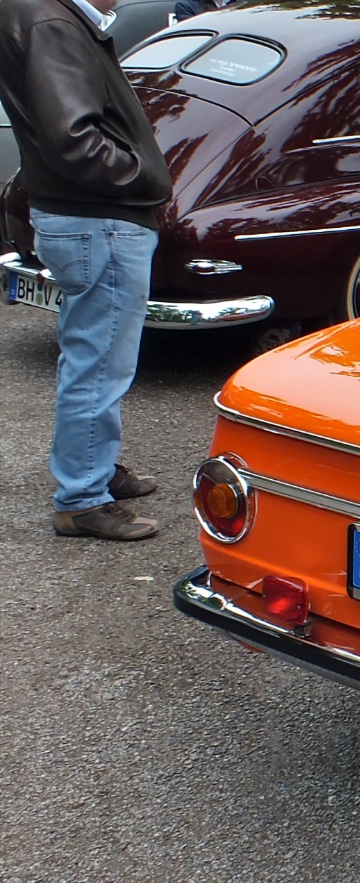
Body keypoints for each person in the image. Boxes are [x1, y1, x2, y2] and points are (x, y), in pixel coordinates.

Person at [0, 0, 173, 540]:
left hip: (81, 216)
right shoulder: (51, 21)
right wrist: (145, 176)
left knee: (91, 357)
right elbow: (73, 137)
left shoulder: (41, 14)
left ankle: (93, 466)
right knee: (98, 365)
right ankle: (82, 498)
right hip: (99, 219)